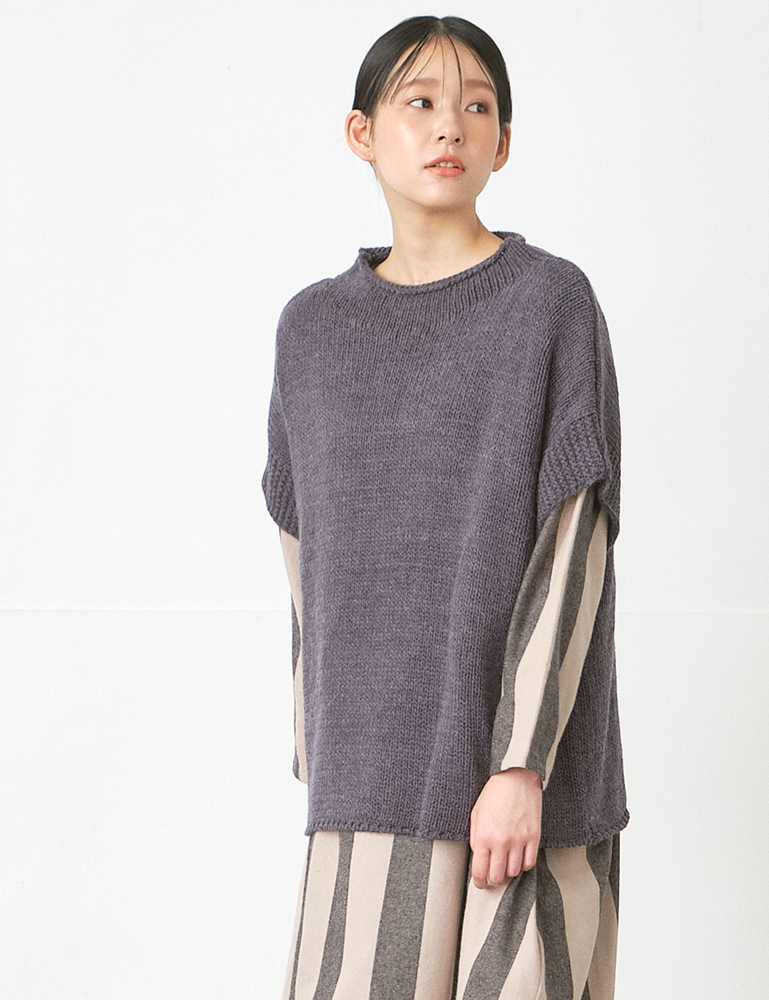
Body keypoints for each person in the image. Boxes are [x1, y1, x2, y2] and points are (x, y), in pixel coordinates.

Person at [262, 14, 627, 1000]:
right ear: (362, 132)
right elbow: (305, 550)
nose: (449, 126)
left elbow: (575, 540)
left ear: (503, 143)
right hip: (370, 780)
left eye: (477, 106)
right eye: (419, 102)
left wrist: (520, 763)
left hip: (523, 793)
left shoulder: (550, 306)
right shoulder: (311, 330)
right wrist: (323, 750)